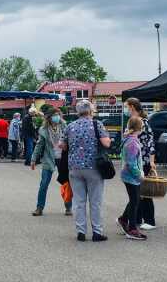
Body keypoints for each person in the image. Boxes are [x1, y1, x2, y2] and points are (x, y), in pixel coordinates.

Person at [61, 99, 111, 242]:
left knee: (79, 201)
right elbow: (105, 143)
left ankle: (81, 232)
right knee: (95, 201)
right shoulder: (97, 124)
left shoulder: (70, 126)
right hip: (93, 167)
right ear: (90, 110)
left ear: (78, 111)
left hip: (75, 168)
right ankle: (97, 232)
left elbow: (62, 145)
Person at [31, 107, 71, 216]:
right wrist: (33, 159)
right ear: (49, 117)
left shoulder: (65, 126)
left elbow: (70, 141)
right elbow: (39, 145)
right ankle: (39, 208)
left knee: (66, 183)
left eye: (58, 114)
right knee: (44, 184)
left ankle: (68, 207)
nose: (57, 117)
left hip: (63, 158)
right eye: (54, 115)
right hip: (49, 158)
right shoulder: (43, 130)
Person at [126, 97, 156, 231]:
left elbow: (150, 143)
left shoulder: (142, 122)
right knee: (136, 191)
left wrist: (151, 162)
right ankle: (136, 218)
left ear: (132, 107)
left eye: (127, 107)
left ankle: (149, 220)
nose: (126, 109)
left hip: (142, 161)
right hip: (137, 160)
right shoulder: (135, 121)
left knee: (143, 192)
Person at [117, 116, 146, 241]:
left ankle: (123, 219)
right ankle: (132, 228)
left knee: (134, 199)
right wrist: (139, 175)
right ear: (139, 128)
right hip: (131, 176)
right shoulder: (132, 142)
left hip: (128, 175)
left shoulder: (129, 139)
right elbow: (131, 163)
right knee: (135, 202)